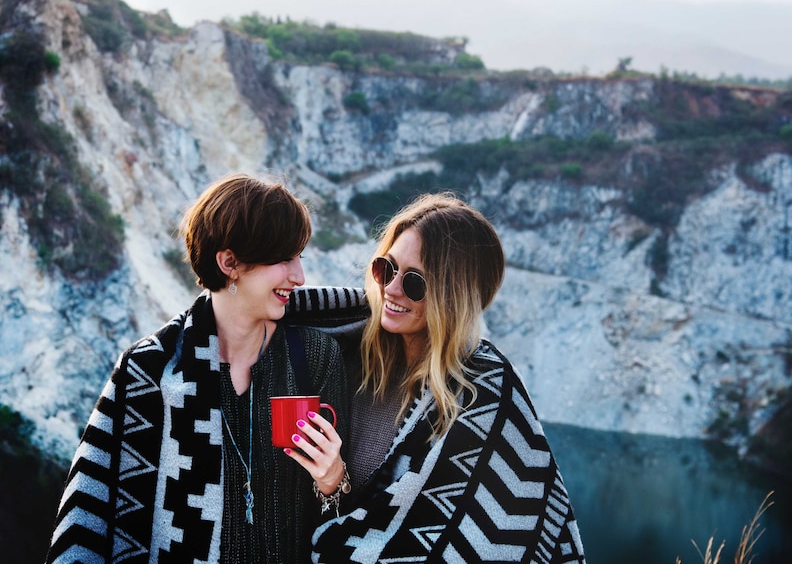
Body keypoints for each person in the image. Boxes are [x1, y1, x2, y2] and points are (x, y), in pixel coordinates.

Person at [44, 173, 350, 564]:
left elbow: (344, 520)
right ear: (229, 263)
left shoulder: (314, 356)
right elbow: (94, 514)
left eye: (299, 258)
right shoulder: (149, 371)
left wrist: (332, 480)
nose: (299, 277)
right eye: (283, 259)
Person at [283, 192, 587, 563]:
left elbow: (516, 539)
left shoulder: (487, 400)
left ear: (452, 296)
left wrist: (334, 482)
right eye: (386, 268)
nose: (392, 289)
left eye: (415, 283)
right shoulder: (342, 354)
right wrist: (332, 484)